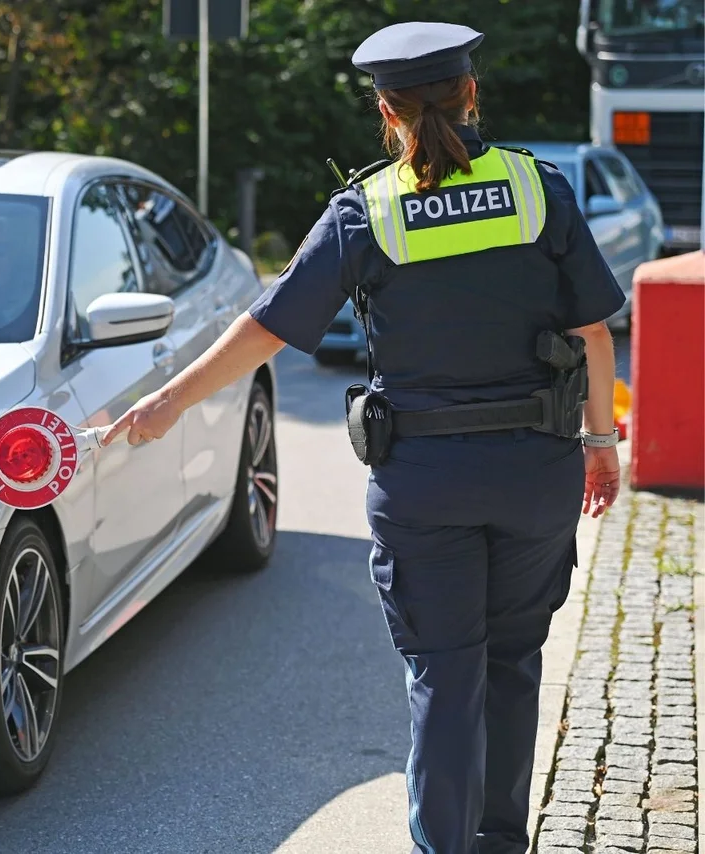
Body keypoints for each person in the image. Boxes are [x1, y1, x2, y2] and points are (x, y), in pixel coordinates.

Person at [101, 21, 625, 854]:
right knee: (513, 664)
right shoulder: (538, 191)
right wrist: (601, 446)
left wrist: (168, 400)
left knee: (445, 676)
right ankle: (500, 842)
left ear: (386, 110)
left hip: (422, 483)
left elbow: (268, 328)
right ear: (472, 94)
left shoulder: (366, 211)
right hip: (535, 473)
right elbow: (596, 333)